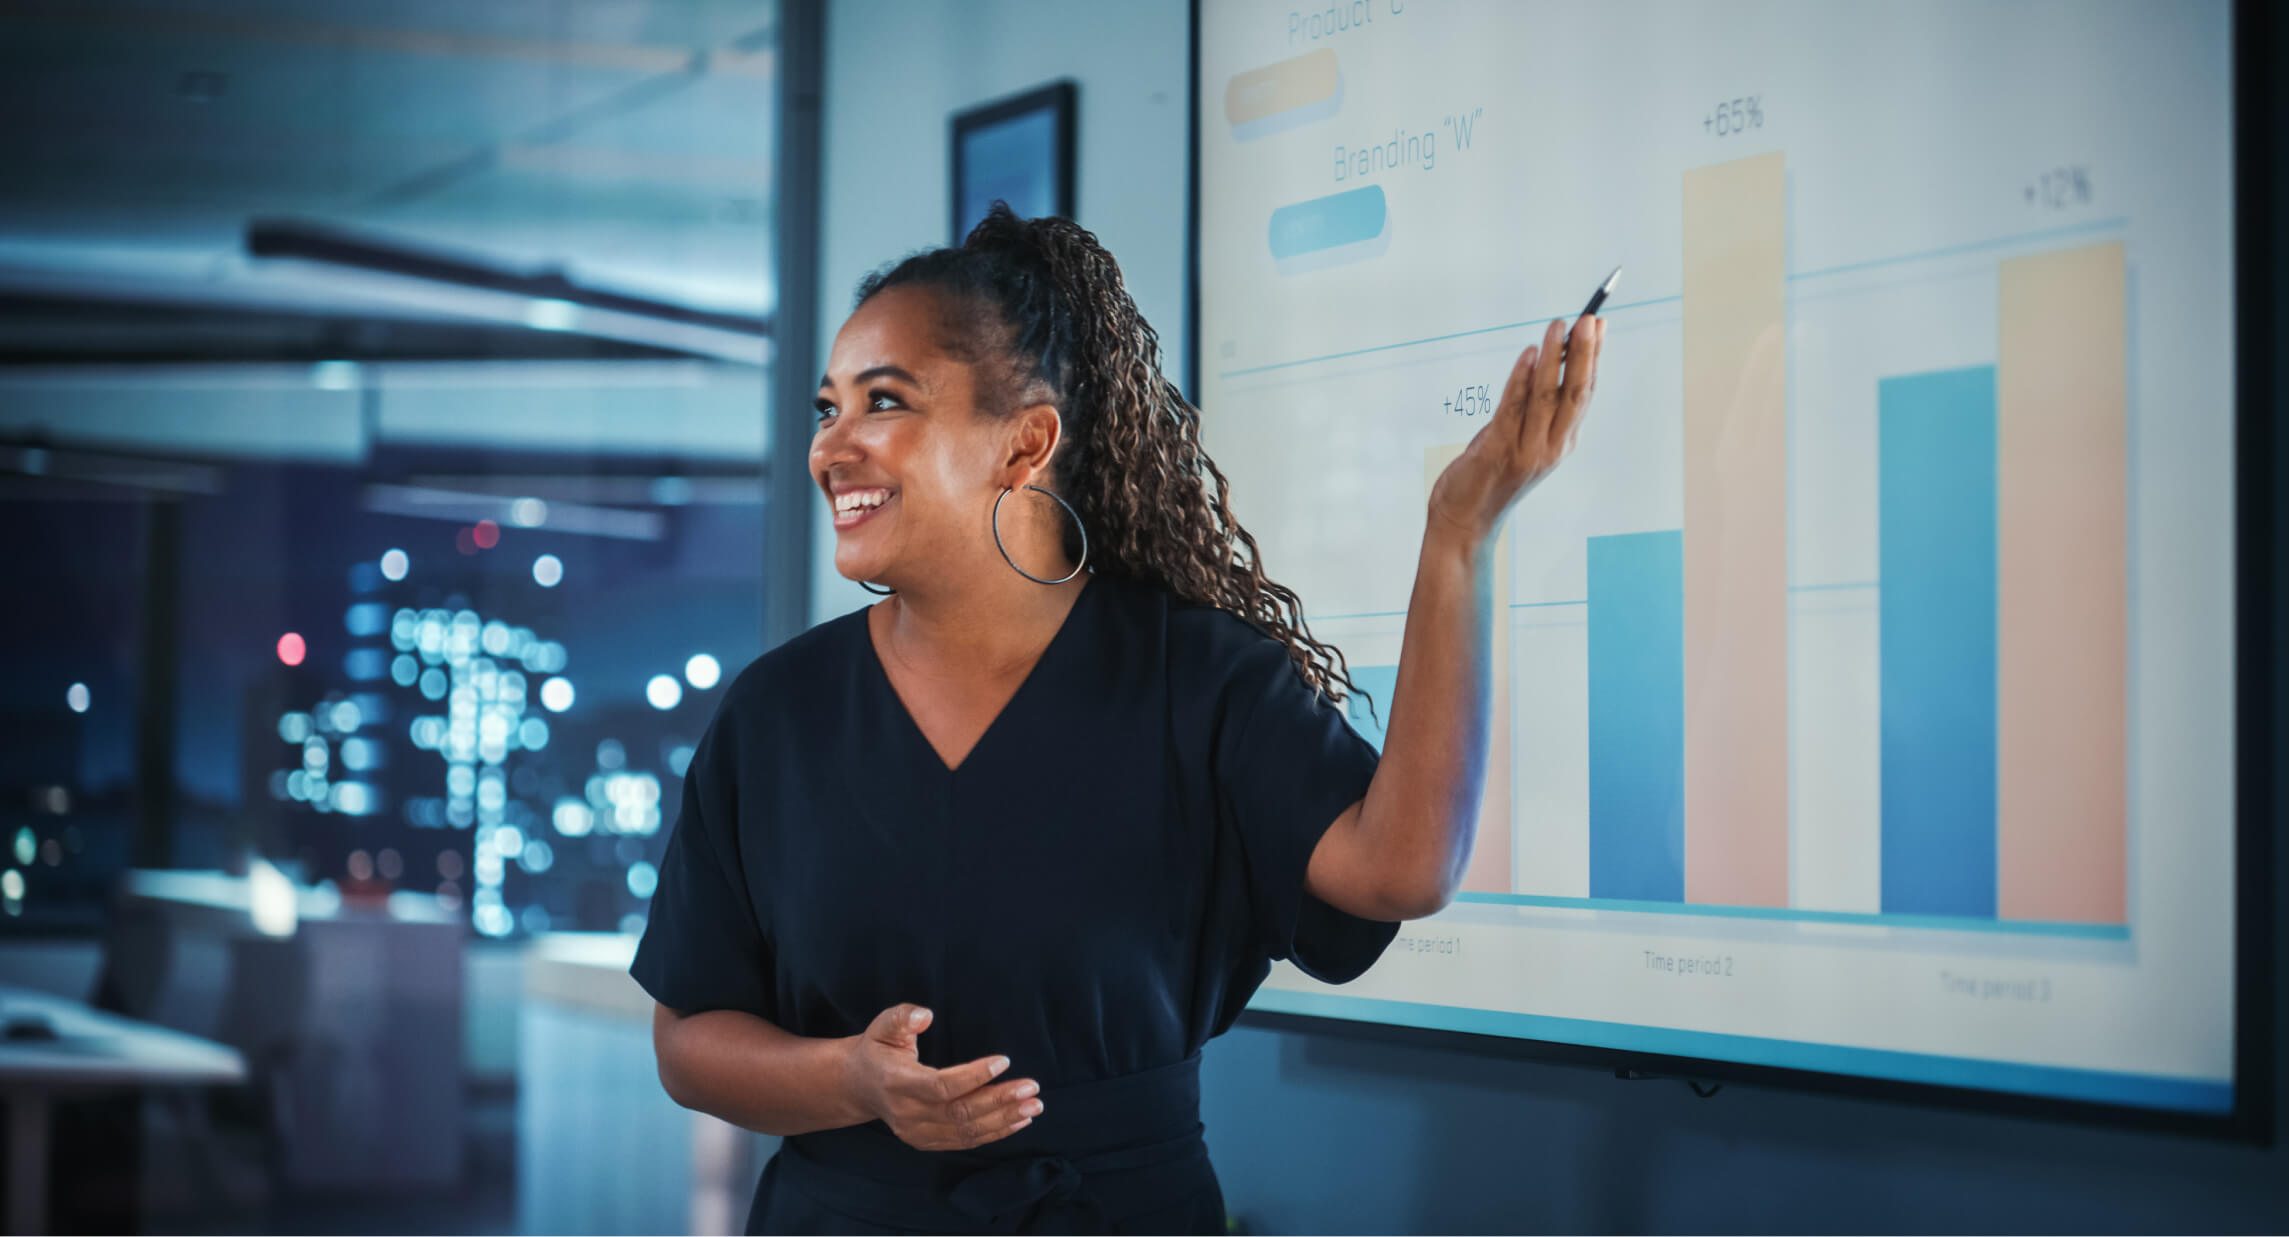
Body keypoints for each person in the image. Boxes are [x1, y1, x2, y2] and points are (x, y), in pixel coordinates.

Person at [633, 203, 1603, 1234]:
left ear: (1027, 442)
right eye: (828, 408)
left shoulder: (1200, 677)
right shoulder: (777, 714)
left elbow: (1400, 868)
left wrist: (1459, 536)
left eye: (884, 402)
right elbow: (689, 1038)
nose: (834, 446)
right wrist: (854, 1081)